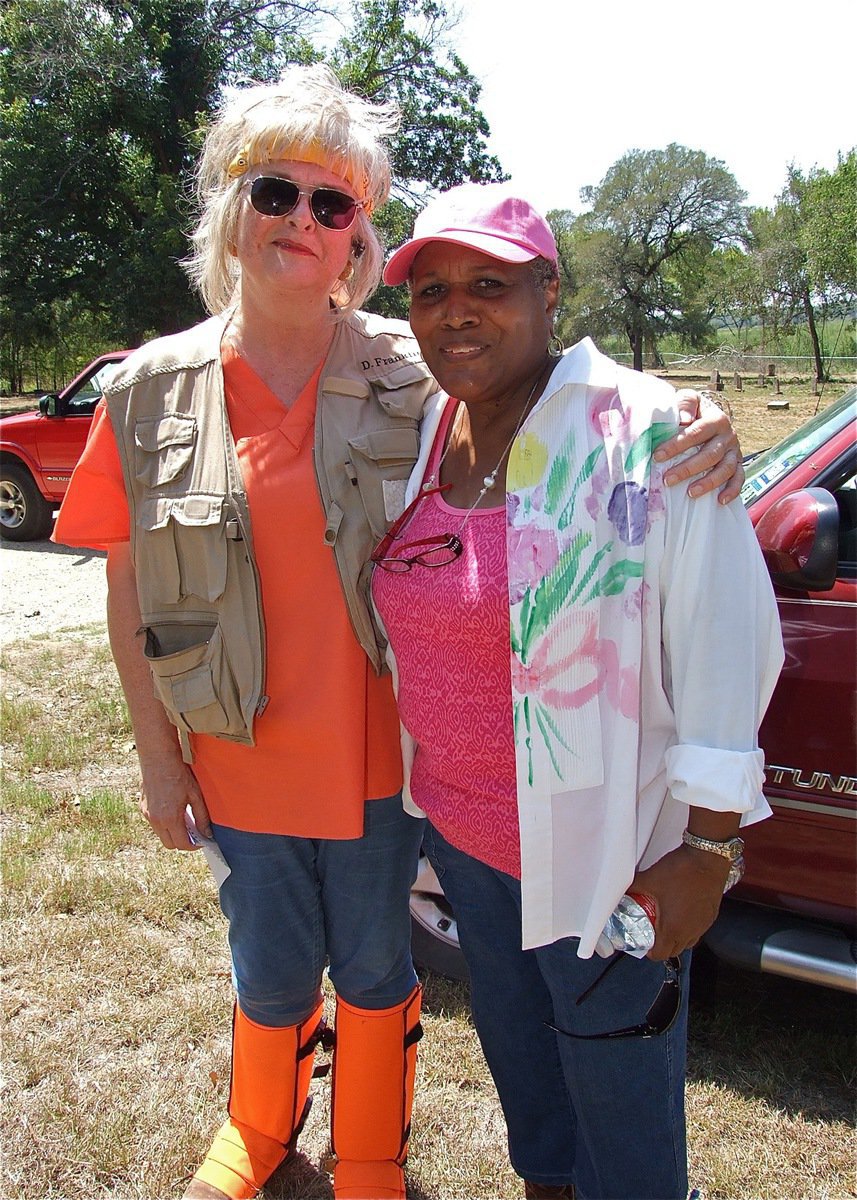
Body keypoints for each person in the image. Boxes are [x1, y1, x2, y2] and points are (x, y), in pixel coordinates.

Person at [53, 66, 744, 1200]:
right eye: (277, 191)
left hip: (391, 765)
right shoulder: (146, 391)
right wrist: (156, 756)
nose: (301, 223)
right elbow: (129, 594)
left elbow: (556, 393)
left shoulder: (412, 370)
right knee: (269, 963)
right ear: (231, 208)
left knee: (377, 964)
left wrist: (685, 416)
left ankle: (370, 1147)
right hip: (239, 754)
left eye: (336, 207)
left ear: (360, 242)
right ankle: (256, 1130)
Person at [371, 182, 784, 1200]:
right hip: (464, 849)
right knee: (533, 1100)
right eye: (429, 292)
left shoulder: (643, 434)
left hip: (603, 861)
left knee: (622, 1112)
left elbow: (729, 643)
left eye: (488, 284)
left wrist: (707, 845)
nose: (455, 310)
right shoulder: (426, 431)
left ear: (548, 290)